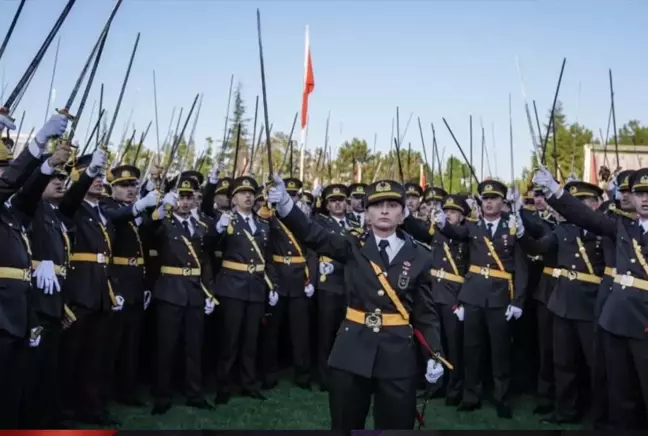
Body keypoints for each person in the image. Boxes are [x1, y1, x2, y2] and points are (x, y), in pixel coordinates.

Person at [268, 176, 445, 430]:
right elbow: (312, 234)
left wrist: (434, 354)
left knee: (394, 427)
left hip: (397, 353)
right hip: (352, 349)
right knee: (346, 425)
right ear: (367, 213)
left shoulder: (420, 255)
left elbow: (425, 314)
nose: (384, 210)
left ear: (403, 214)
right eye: (377, 205)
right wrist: (286, 204)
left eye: (392, 205)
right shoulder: (352, 245)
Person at [533, 166, 648, 430]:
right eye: (640, 193)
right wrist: (555, 190)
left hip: (644, 321)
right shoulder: (623, 226)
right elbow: (585, 216)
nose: (644, 199)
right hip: (617, 319)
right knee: (622, 392)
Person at [0, 112, 70, 428]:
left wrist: (47, 164)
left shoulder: (11, 213)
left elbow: (26, 193)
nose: (6, 177)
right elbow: (12, 182)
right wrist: (38, 141)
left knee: (12, 394)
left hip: (16, 316)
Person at [435, 180, 527, 419]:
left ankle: (501, 397)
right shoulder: (473, 227)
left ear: (502, 202)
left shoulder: (513, 227)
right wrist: (441, 222)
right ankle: (470, 395)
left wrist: (517, 301)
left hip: (499, 296)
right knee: (471, 349)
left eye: (493, 198)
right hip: (473, 295)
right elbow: (454, 232)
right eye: (484, 199)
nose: (488, 202)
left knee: (500, 351)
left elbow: (520, 268)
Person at [519, 181, 605, 424]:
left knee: (595, 364)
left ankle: (597, 413)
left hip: (591, 304)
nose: (575, 208)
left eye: (582, 203)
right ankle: (565, 410)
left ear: (595, 204)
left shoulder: (603, 230)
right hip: (562, 303)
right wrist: (521, 234)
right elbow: (539, 246)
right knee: (562, 362)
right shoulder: (562, 230)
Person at [149, 172, 216, 415]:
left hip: (194, 292)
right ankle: (162, 395)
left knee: (193, 346)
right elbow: (149, 232)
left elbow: (205, 262)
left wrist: (209, 292)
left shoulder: (200, 226)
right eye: (181, 197)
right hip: (170, 290)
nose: (185, 202)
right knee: (166, 346)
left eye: (189, 198)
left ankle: (194, 393)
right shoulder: (163, 223)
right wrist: (158, 209)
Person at [212, 176, 278, 404]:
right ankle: (224, 385)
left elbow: (267, 257)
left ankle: (248, 383)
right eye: (242, 193)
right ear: (233, 199)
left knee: (251, 340)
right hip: (232, 286)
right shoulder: (226, 221)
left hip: (256, 286)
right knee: (230, 340)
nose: (248, 196)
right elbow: (209, 246)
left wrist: (272, 284)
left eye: (251, 193)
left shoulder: (262, 223)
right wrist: (218, 229)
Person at [402, 194, 469, 406]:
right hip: (433, 292)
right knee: (434, 343)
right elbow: (418, 231)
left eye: (454, 212)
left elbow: (471, 271)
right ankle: (434, 385)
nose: (449, 215)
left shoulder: (467, 236)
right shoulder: (436, 233)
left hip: (454, 295)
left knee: (454, 345)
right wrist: (406, 216)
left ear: (462, 216)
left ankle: (454, 389)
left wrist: (464, 300)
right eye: (446, 211)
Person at [101, 165, 158, 406]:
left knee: (131, 343)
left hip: (136, 282)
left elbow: (147, 244)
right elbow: (115, 218)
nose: (130, 189)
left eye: (133, 185)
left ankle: (127, 390)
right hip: (117, 281)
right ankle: (104, 392)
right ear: (112, 188)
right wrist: (139, 206)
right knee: (110, 343)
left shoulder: (137, 213)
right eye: (124, 186)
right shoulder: (108, 207)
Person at [261, 177, 317, 390]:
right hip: (278, 277)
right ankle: (269, 374)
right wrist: (272, 283)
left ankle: (302, 374)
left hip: (299, 281)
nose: (292, 198)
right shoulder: (271, 218)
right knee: (271, 332)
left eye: (294, 195)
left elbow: (311, 251)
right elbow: (266, 251)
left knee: (300, 333)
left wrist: (310, 278)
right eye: (288, 194)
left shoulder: (303, 219)